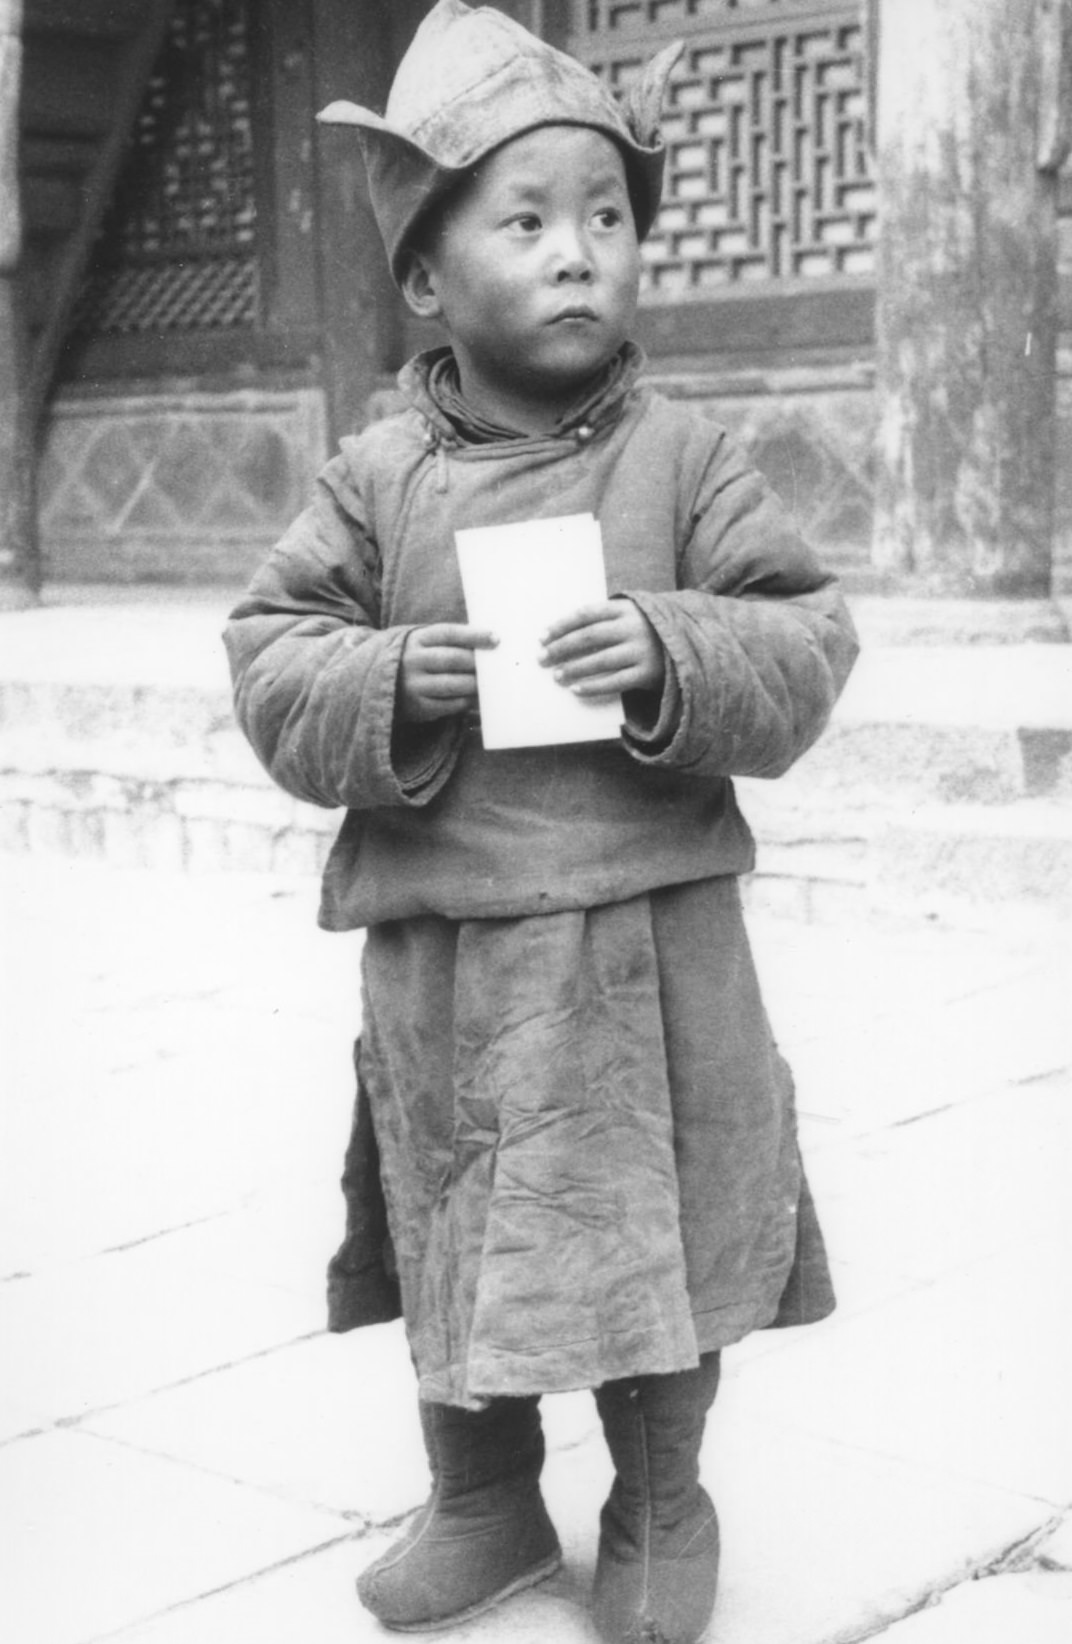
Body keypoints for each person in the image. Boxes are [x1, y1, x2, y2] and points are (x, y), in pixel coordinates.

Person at [224, 5, 859, 1641]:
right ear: (428, 281)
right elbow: (270, 655)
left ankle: (660, 1506)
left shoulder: (687, 458)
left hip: (654, 933)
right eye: (528, 220)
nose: (581, 252)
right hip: (447, 945)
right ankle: (487, 1501)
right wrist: (392, 676)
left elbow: (805, 639)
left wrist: (675, 644)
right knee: (459, 1222)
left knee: (659, 1220)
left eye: (608, 216)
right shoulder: (374, 480)